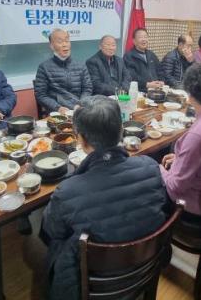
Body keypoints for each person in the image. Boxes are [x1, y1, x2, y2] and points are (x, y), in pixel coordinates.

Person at [41, 96, 169, 299]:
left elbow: (51, 231)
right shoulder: (151, 167)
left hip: (96, 284)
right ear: (121, 130)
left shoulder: (66, 191)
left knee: (59, 241)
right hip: (144, 268)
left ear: (80, 140)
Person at [160, 62, 201, 221]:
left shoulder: (197, 134)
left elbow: (175, 187)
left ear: (189, 93)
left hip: (189, 205)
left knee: (146, 174)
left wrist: (157, 168)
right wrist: (179, 159)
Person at [34, 28, 93, 115]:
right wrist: (58, 108)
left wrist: (80, 104)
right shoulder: (44, 67)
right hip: (58, 112)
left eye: (67, 41)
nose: (65, 45)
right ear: (51, 46)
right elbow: (41, 95)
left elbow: (87, 88)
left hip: (80, 109)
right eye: (60, 42)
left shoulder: (81, 65)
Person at [123, 27, 164, 92]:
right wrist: (147, 84)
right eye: (140, 37)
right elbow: (131, 77)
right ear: (134, 41)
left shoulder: (151, 55)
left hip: (156, 90)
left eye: (145, 37)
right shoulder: (128, 56)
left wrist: (161, 81)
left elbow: (160, 71)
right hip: (140, 91)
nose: (144, 39)